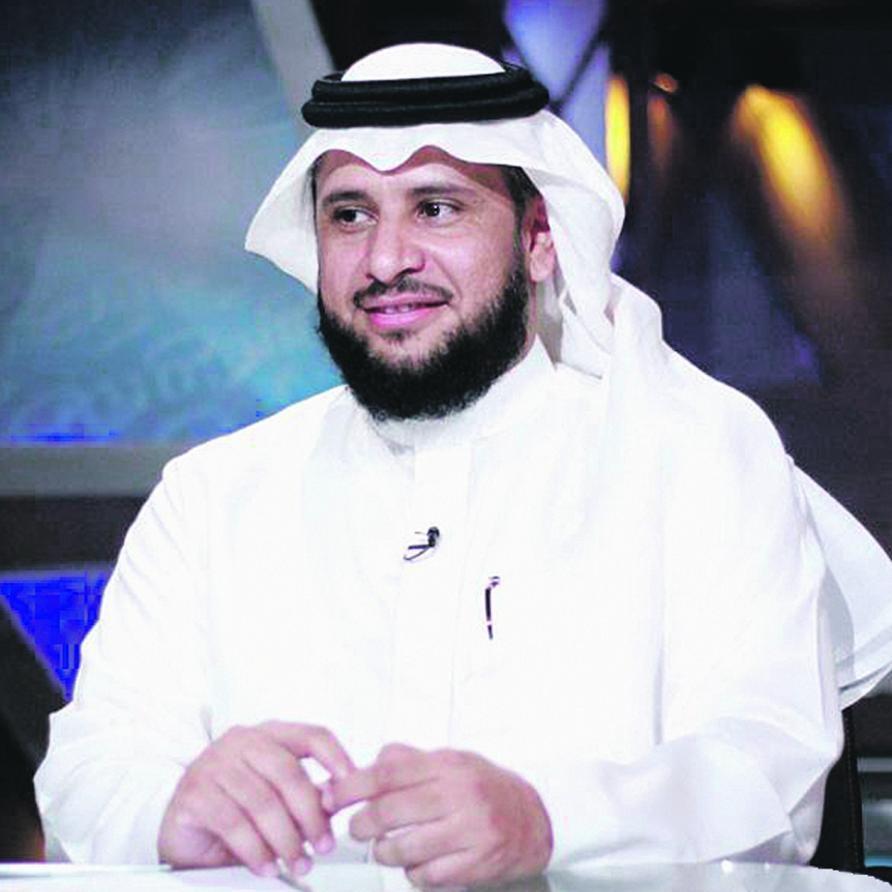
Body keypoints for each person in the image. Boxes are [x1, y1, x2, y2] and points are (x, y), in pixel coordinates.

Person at [35, 43, 892, 887]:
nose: (385, 260)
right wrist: (166, 809)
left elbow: (765, 774)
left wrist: (548, 821)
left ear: (540, 238)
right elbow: (90, 765)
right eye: (350, 215)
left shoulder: (692, 455)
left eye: (436, 208)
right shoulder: (214, 494)